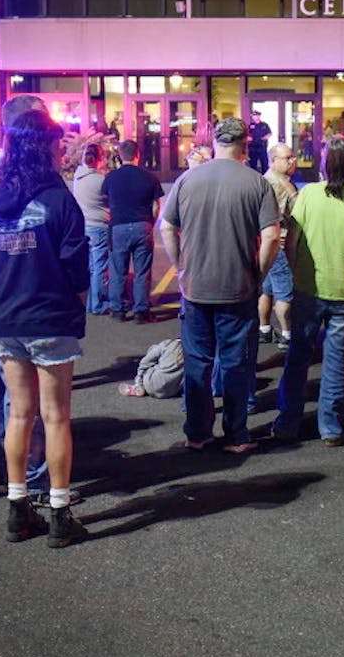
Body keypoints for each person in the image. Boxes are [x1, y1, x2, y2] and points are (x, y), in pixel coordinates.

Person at [0, 108, 91, 547]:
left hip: (6, 320)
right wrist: (72, 311)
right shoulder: (60, 201)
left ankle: (16, 508)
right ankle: (60, 512)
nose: (64, 149)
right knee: (56, 416)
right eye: (59, 143)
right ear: (44, 147)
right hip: (50, 317)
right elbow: (78, 274)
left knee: (19, 415)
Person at [159, 115, 281, 454]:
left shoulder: (188, 180)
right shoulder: (257, 182)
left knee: (198, 362)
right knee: (235, 364)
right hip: (238, 287)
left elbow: (166, 227)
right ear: (244, 143)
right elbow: (272, 235)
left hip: (195, 287)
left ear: (215, 142)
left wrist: (180, 263)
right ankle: (236, 434)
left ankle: (197, 433)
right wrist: (258, 272)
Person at [272, 136, 344, 447]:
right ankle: (331, 427)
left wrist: (297, 274)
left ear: (324, 165)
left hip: (309, 288)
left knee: (298, 356)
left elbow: (291, 242)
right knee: (337, 360)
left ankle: (287, 423)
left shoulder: (308, 194)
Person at [0, 96, 53, 505]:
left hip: (10, 315)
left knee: (18, 406)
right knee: (37, 410)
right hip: (33, 314)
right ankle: (35, 481)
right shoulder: (25, 187)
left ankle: (16, 484)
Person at [103, 138, 163, 323]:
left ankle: (118, 309)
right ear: (137, 155)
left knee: (117, 270)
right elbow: (155, 205)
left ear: (120, 156)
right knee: (142, 271)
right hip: (142, 225)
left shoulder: (111, 177)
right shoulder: (149, 177)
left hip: (119, 226)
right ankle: (141, 310)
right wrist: (150, 222)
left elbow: (105, 204)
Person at [260, 143, 299, 349]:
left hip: (263, 245)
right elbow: (298, 217)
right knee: (284, 293)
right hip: (281, 245)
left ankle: (264, 329)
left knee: (265, 290)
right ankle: (287, 334)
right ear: (273, 161)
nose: (293, 161)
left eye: (293, 157)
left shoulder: (262, 181)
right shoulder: (284, 186)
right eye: (287, 158)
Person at [73, 142, 111, 315]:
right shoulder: (101, 180)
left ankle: (90, 302)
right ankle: (97, 304)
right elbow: (110, 201)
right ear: (100, 159)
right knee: (100, 267)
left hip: (84, 226)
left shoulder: (78, 178)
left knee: (91, 266)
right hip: (99, 227)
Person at [118, 338, 185, 399]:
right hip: (169, 392)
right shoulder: (191, 352)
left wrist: (139, 379)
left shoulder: (168, 344)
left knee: (153, 350)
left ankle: (138, 385)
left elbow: (145, 362)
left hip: (149, 381)